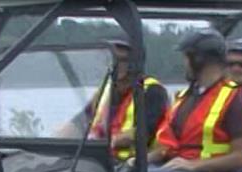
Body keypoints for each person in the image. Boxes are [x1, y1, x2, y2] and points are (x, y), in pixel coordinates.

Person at [145, 28, 242, 172]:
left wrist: (192, 166)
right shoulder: (187, 97)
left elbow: (241, 157)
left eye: (186, 57)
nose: (184, 63)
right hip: (182, 168)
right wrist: (138, 162)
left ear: (199, 59)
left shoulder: (235, 99)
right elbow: (167, 144)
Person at [57, 36, 169, 164]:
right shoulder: (105, 91)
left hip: (133, 165)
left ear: (135, 63)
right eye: (111, 59)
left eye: (122, 60)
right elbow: (79, 122)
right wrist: (56, 141)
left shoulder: (152, 90)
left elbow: (143, 132)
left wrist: (104, 143)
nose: (115, 64)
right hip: (101, 159)